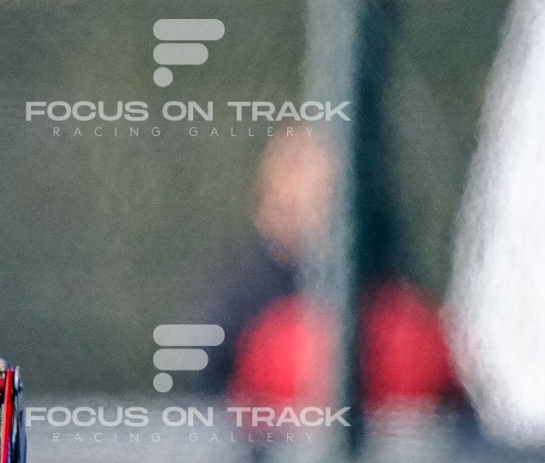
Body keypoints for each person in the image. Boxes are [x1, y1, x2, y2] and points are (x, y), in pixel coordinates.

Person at [194, 123, 458, 418]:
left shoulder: (402, 318)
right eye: (290, 169)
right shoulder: (237, 308)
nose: (300, 188)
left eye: (318, 176)